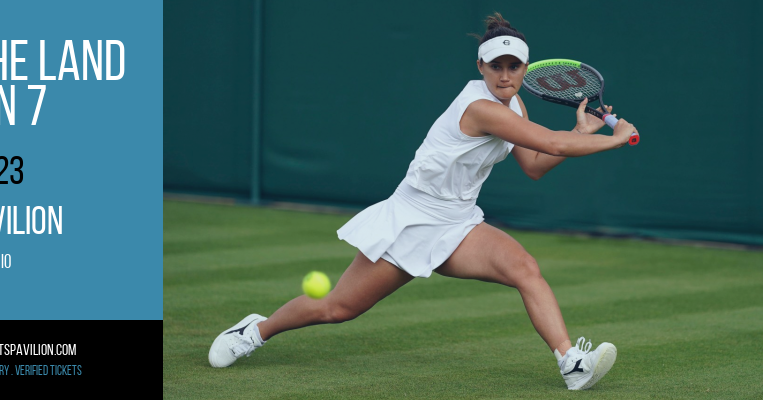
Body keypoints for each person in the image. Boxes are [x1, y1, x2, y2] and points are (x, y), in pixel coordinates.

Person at [208, 12, 638, 391]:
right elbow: (550, 143)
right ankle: (255, 331)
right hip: (412, 218)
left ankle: (571, 362)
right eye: (495, 66)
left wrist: (583, 133)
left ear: (525, 68)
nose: (504, 75)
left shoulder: (515, 106)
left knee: (524, 268)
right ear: (480, 67)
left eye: (513, 66)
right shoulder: (480, 106)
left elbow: (536, 163)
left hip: (460, 222)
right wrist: (614, 141)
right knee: (337, 308)